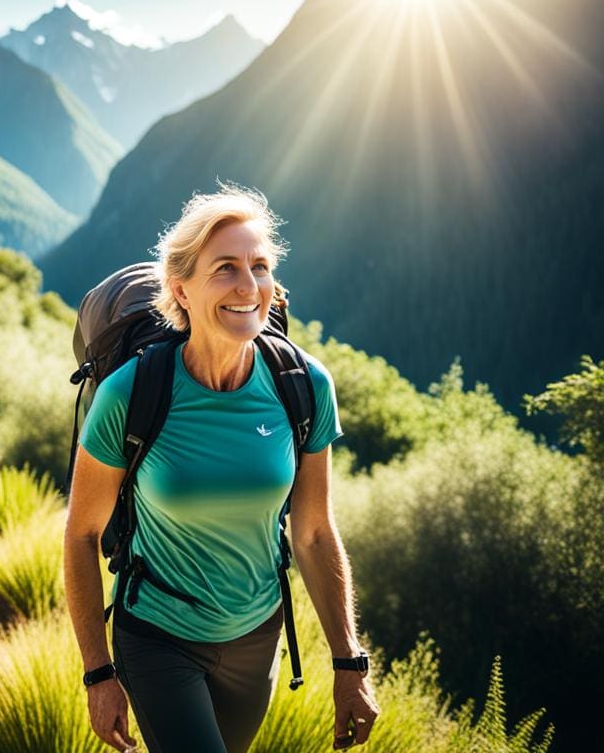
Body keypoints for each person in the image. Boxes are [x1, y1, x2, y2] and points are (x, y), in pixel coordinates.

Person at [64, 185, 380, 752]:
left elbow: (312, 532)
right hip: (156, 637)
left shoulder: (303, 386)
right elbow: (82, 534)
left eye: (259, 267)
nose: (247, 286)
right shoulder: (131, 393)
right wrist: (98, 672)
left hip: (257, 640)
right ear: (181, 289)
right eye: (226, 268)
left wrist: (349, 661)